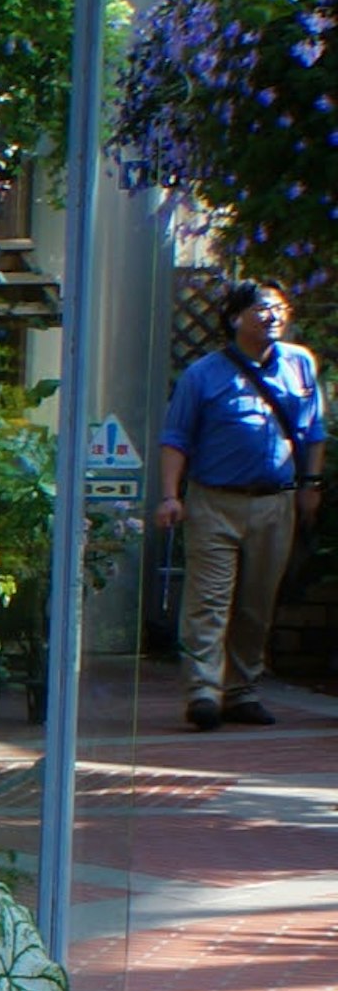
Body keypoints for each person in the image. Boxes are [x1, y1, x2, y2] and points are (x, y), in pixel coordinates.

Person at [153, 280, 325, 729]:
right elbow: (176, 438)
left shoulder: (300, 365)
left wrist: (311, 484)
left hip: (275, 502)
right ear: (235, 318)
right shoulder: (203, 375)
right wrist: (171, 496)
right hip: (214, 501)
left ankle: (241, 690)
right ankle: (203, 693)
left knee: (256, 602)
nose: (274, 316)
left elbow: (314, 432)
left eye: (279, 308)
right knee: (209, 602)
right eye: (263, 308)